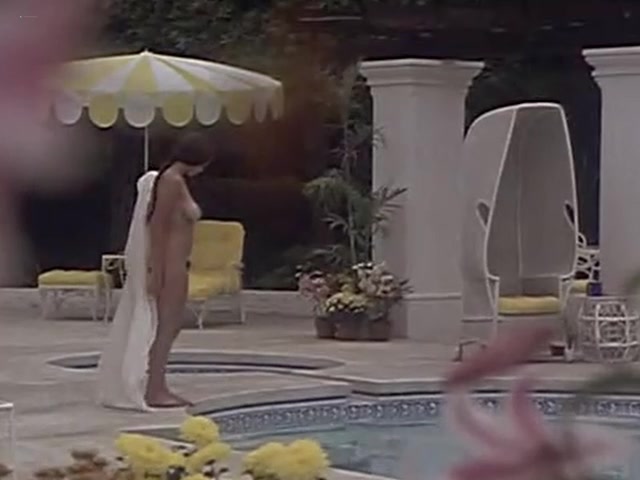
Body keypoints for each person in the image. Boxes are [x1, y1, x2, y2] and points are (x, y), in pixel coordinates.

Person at [97, 133, 212, 410]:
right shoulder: (171, 181)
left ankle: (158, 384)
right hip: (170, 264)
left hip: (178, 263)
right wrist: (156, 271)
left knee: (170, 326)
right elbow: (158, 227)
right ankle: (154, 388)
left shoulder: (174, 180)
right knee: (165, 326)